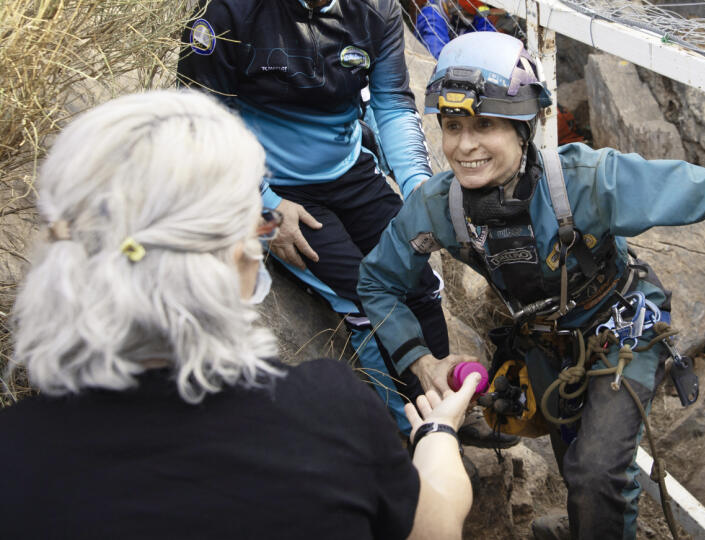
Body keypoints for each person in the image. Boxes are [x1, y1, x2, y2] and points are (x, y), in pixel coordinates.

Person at [357, 32, 705, 539]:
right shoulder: (438, 209)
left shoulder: (587, 183)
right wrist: (420, 361)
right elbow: (376, 282)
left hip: (622, 329)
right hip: (544, 347)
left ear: (522, 128)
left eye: (484, 125)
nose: (464, 147)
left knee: (597, 472)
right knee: (576, 461)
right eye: (452, 127)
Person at [0, 90, 476, 539]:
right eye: (257, 221)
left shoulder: (15, 454)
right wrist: (436, 434)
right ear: (237, 260)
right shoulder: (328, 411)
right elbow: (435, 528)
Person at [176, 0, 515, 448]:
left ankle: (451, 404)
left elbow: (393, 103)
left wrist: (419, 190)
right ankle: (414, 428)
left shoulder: (378, 8)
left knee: (420, 281)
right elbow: (197, 118)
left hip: (350, 168)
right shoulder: (227, 11)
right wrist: (261, 204)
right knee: (363, 296)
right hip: (272, 182)